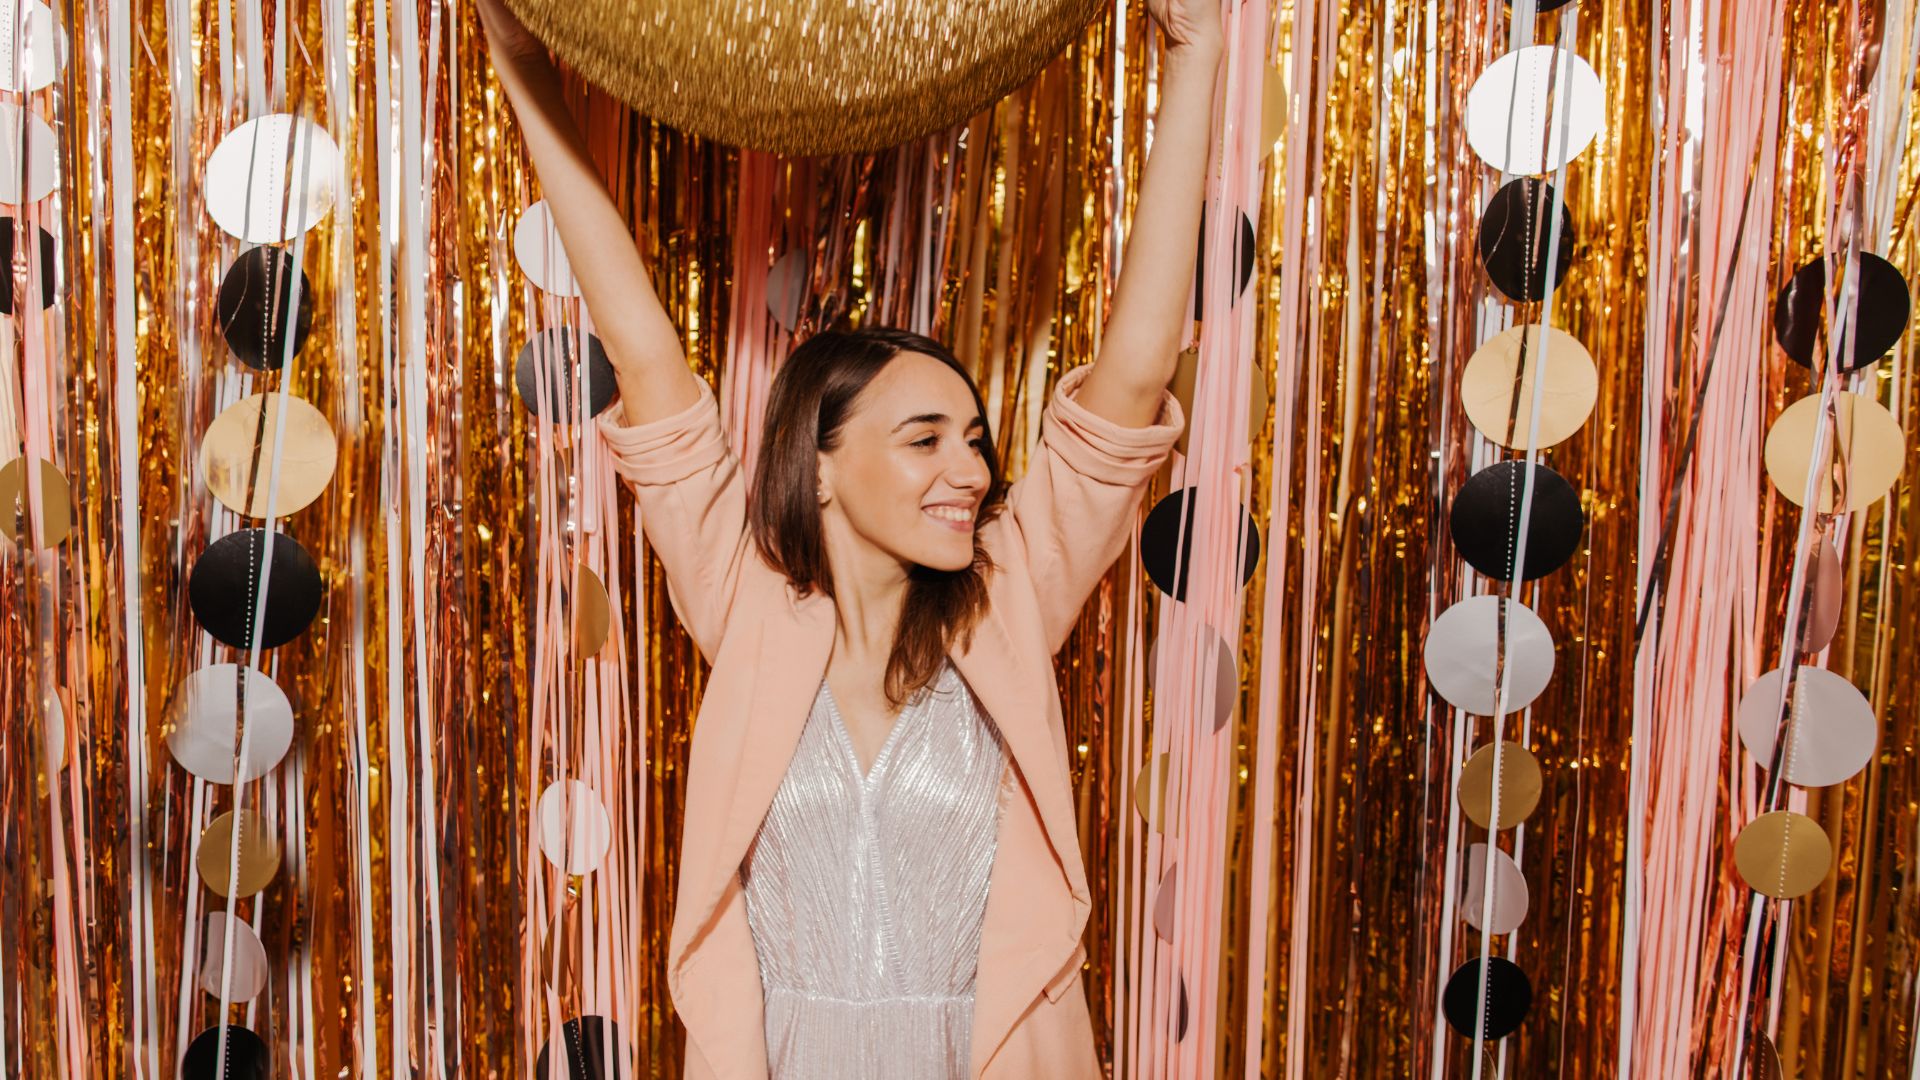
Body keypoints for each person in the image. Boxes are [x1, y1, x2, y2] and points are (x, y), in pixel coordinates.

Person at [476, 1, 1220, 1076]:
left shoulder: (1008, 597)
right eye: (924, 440)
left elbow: (1139, 369)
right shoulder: (748, 604)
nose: (970, 470)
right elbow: (641, 353)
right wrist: (521, 69)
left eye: (974, 440)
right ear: (818, 463)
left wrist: (1194, 56)